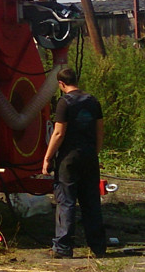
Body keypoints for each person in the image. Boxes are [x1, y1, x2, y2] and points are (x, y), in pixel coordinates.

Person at [41, 66, 106, 258]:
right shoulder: (93, 101)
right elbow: (100, 131)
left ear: (61, 84)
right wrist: (95, 152)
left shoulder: (64, 103)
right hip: (89, 157)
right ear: (76, 80)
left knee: (66, 202)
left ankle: (63, 248)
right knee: (91, 202)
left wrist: (47, 158)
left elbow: (59, 133)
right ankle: (98, 247)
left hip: (69, 159)